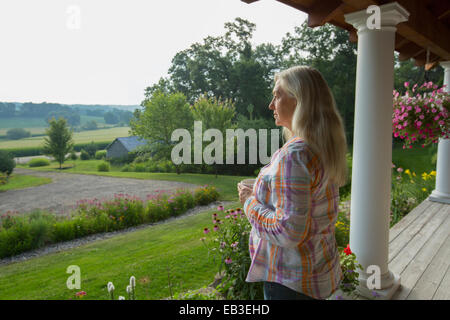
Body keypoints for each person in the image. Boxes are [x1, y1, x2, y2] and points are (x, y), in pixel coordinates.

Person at [237, 66, 348, 300]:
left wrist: (249, 202)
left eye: (277, 95)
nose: (271, 104)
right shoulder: (320, 146)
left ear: (299, 100)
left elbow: (286, 232)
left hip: (290, 285)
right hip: (316, 273)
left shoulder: (295, 155)